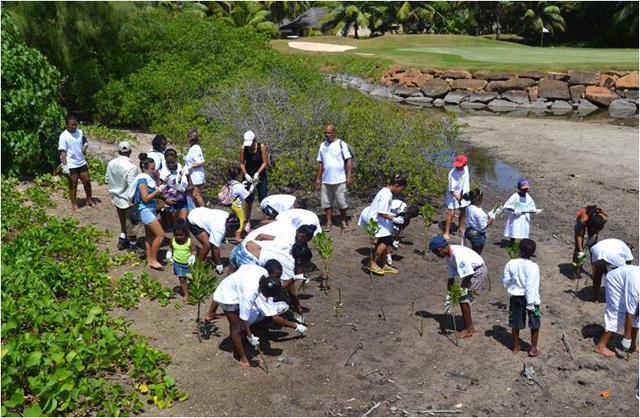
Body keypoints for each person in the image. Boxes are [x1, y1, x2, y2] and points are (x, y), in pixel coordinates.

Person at [212, 261, 307, 367]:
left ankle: (239, 345)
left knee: (241, 324)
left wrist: (294, 277)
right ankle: (242, 358)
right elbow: (244, 318)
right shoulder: (250, 293)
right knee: (236, 327)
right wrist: (250, 336)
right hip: (227, 296)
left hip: (235, 286)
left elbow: (277, 286)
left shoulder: (264, 274)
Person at [429, 235, 488, 339]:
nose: (437, 256)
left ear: (440, 249)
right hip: (471, 272)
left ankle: (469, 329)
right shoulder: (449, 256)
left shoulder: (457, 255)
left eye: (435, 253)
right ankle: (469, 327)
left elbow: (468, 274)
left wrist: (461, 291)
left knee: (463, 299)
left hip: (477, 271)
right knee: (462, 298)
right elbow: (451, 278)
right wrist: (449, 296)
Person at [359, 174, 407, 275]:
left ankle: (383, 264)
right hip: (375, 220)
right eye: (401, 189)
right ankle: (371, 263)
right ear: (396, 185)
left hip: (379, 220)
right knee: (387, 239)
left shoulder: (386, 191)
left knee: (383, 239)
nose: (400, 192)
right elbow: (382, 212)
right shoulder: (386, 194)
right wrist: (395, 219)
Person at [502, 239, 541, 356]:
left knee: (515, 321)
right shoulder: (534, 267)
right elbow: (531, 285)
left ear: (519, 250)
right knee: (535, 322)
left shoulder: (510, 263)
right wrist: (530, 303)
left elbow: (506, 280)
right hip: (532, 298)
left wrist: (511, 289)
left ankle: (516, 346)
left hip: (516, 296)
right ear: (532, 253)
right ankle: (533, 348)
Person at [129, 154, 168, 270]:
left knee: (150, 236)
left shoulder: (151, 179)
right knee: (160, 235)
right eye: (152, 169)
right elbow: (145, 198)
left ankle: (150, 259)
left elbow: (160, 192)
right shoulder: (142, 180)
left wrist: (158, 179)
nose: (153, 171)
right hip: (145, 210)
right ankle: (153, 259)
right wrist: (158, 191)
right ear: (145, 169)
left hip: (151, 209)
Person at [105, 141, 144, 253]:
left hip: (116, 196)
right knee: (132, 223)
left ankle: (122, 239)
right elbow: (133, 186)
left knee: (123, 221)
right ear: (130, 152)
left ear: (118, 151)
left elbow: (107, 178)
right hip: (127, 199)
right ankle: (132, 245)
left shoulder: (111, 163)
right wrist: (134, 200)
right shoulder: (131, 167)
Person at [594, 265, 639, 357]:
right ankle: (601, 346)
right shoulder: (637, 286)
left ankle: (632, 345)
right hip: (615, 281)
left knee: (638, 315)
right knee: (618, 312)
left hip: (627, 279)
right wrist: (627, 338)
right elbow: (629, 315)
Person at [315, 124, 353, 232]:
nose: (327, 135)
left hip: (339, 179)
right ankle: (328, 222)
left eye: (329, 133)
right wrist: (318, 178)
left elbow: (348, 160)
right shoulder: (323, 145)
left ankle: (344, 222)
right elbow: (320, 162)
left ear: (334, 133)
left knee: (342, 202)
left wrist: (349, 176)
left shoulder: (341, 144)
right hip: (326, 180)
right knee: (327, 203)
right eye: (326, 133)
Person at [58, 115, 96, 211]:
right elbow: (63, 152)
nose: (74, 127)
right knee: (73, 183)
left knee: (87, 181)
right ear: (67, 125)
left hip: (81, 161)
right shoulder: (64, 136)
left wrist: (85, 144)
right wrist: (65, 165)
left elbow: (83, 139)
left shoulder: (79, 132)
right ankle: (74, 204)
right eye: (72, 125)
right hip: (71, 163)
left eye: (75, 125)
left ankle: (89, 199)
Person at [187, 207, 240, 274]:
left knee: (212, 242)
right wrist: (219, 264)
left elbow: (214, 243)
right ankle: (197, 267)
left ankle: (213, 261)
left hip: (198, 212)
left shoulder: (227, 216)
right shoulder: (220, 228)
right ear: (228, 226)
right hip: (193, 220)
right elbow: (215, 248)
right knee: (207, 245)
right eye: (231, 230)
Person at [239, 130, 268, 233]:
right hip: (248, 176)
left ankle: (266, 221)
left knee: (263, 198)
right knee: (248, 198)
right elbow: (241, 163)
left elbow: (264, 162)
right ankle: (248, 221)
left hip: (260, 176)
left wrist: (258, 173)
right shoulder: (243, 148)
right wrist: (245, 174)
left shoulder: (262, 147)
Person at [589, 238, 635, 303]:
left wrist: (606, 271)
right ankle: (617, 296)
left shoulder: (617, 242)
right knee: (620, 276)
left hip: (596, 250)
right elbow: (627, 267)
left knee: (598, 274)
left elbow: (597, 265)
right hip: (612, 254)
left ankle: (596, 298)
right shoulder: (627, 249)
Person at [161, 149, 194, 228]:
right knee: (175, 225)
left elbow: (191, 186)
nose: (171, 164)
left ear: (176, 159)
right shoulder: (163, 173)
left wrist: (183, 190)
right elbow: (160, 190)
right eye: (168, 163)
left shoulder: (183, 171)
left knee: (182, 224)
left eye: (172, 162)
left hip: (183, 201)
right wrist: (165, 199)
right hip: (171, 203)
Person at [573, 205, 608, 280]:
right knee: (578, 250)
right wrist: (581, 250)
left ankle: (594, 273)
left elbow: (597, 229)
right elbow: (579, 236)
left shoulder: (604, 218)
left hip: (594, 223)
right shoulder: (583, 220)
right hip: (582, 221)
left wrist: (594, 235)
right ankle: (575, 272)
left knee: (593, 248)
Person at [165, 219, 197, 302]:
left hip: (189, 264)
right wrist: (169, 253)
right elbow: (171, 247)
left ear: (186, 234)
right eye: (177, 235)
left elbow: (194, 251)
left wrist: (192, 256)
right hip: (178, 263)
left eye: (181, 235)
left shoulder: (190, 242)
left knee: (193, 279)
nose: (179, 237)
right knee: (182, 279)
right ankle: (186, 294)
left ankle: (195, 291)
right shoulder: (173, 240)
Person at [503, 178, 538, 247]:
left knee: (524, 230)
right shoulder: (515, 196)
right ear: (519, 188)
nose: (525, 190)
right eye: (523, 189)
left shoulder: (528, 198)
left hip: (524, 218)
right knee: (514, 230)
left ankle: (523, 245)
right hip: (516, 218)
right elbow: (507, 206)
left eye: (526, 189)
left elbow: (532, 207)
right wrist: (513, 210)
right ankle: (511, 243)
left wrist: (533, 211)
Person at [443, 154, 469, 241]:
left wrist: (464, 194)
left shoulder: (466, 168)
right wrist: (458, 197)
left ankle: (460, 227)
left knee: (463, 209)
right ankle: (446, 232)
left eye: (460, 166)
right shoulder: (452, 174)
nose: (457, 167)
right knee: (452, 212)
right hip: (453, 193)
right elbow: (451, 190)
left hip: (463, 191)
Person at [463, 188, 497, 255]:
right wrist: (492, 218)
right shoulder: (479, 212)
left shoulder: (469, 207)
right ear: (478, 200)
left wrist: (489, 214)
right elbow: (483, 227)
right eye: (482, 197)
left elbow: (478, 217)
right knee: (477, 253)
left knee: (473, 248)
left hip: (469, 231)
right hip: (478, 235)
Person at [228, 165, 255, 243]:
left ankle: (233, 233)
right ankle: (237, 237)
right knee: (241, 221)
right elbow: (247, 194)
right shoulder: (239, 186)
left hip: (232, 205)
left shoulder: (231, 183)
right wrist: (252, 186)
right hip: (237, 206)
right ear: (238, 175)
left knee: (234, 219)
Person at [183, 128, 206, 207]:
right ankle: (198, 209)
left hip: (196, 175)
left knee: (196, 194)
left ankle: (202, 210)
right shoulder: (192, 148)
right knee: (194, 195)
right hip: (193, 174)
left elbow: (201, 162)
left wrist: (190, 166)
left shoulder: (195, 148)